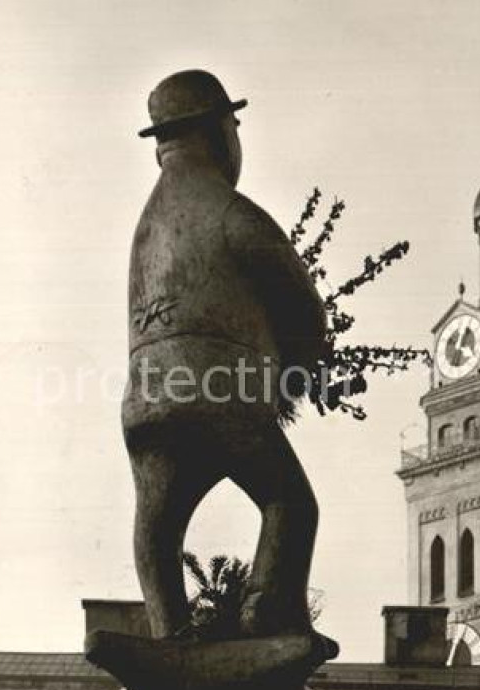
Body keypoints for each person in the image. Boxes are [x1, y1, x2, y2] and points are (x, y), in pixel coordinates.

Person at [123, 69, 327, 642]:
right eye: (232, 125)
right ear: (216, 130)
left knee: (157, 533)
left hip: (144, 405)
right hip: (220, 393)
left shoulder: (145, 228)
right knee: (291, 504)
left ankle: (170, 636)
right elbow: (306, 308)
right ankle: (266, 613)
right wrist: (301, 364)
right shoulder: (228, 209)